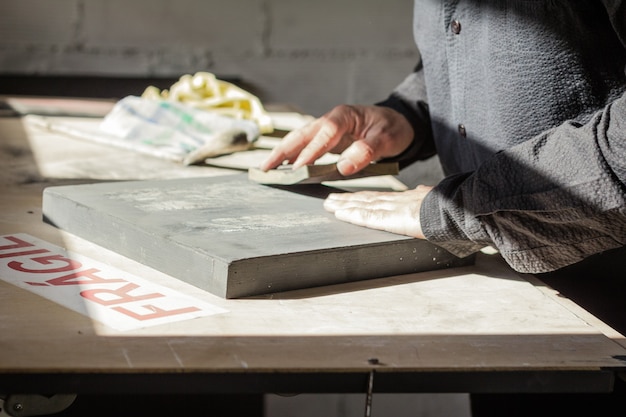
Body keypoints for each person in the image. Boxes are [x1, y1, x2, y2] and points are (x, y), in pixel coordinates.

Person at [261, 1, 626, 415]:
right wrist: (406, 115)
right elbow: (469, 45)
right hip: (513, 309)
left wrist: (466, 207)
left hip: (605, 325)